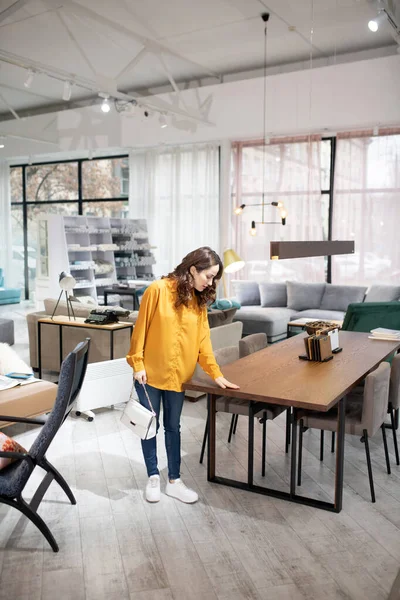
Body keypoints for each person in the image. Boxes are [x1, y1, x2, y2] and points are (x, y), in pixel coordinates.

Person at [126, 246, 239, 504]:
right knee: (148, 426)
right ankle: (153, 476)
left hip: (178, 377)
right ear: (192, 269)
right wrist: (138, 364)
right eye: (208, 276)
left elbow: (203, 342)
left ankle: (174, 481)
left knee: (173, 427)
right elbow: (140, 330)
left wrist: (216, 374)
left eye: (213, 278)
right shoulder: (157, 290)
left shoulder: (199, 303)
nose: (210, 282)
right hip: (150, 374)